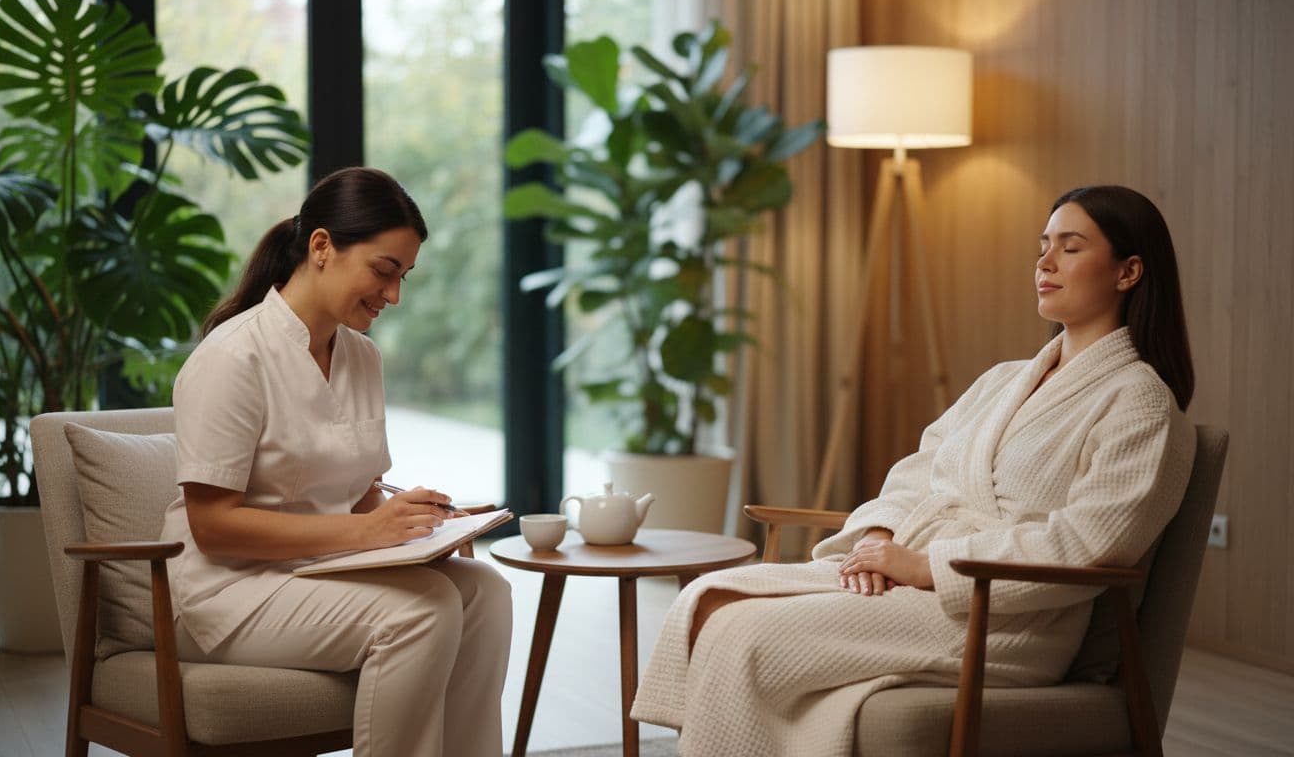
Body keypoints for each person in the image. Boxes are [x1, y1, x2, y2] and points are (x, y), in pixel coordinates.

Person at [630, 185, 1198, 756]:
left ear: (1128, 272)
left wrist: (926, 566)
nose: (1045, 263)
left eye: (1070, 248)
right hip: (914, 574)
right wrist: (879, 537)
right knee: (709, 597)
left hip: (999, 616)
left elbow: (1089, 545)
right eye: (1043, 246)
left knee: (745, 631)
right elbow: (918, 472)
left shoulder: (1141, 404)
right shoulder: (1005, 379)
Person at [159, 167, 512, 757]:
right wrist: (366, 529)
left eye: (403, 276)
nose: (394, 295)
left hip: (317, 573)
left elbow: (359, 497)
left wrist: (426, 522)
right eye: (384, 271)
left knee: (485, 592)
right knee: (421, 612)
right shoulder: (231, 357)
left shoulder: (362, 358)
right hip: (228, 591)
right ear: (321, 246)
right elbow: (212, 526)